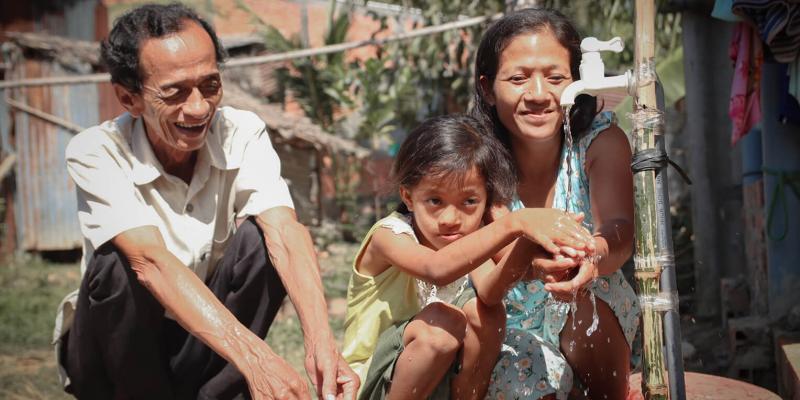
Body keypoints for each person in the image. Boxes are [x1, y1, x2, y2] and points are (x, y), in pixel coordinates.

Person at [52, 4, 358, 399]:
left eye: (210, 85)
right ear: (130, 99)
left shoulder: (241, 131)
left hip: (203, 344)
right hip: (115, 353)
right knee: (118, 264)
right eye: (175, 92)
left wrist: (322, 345)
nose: (198, 108)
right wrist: (257, 359)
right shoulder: (97, 151)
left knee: (264, 242)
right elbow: (150, 264)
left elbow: (285, 231)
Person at [342, 114, 596, 400]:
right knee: (441, 323)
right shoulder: (388, 235)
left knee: (484, 312)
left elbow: (489, 291)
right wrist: (516, 223)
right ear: (409, 197)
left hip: (435, 380)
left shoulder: (466, 238)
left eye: (469, 202)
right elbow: (436, 268)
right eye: (435, 201)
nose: (451, 219)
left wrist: (528, 245)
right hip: (373, 384)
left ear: (486, 199)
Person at [472, 8, 642, 400]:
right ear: (486, 88)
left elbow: (618, 229)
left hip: (588, 306)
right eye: (518, 78)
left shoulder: (601, 141)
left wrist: (591, 256)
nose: (538, 94)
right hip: (506, 326)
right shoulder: (472, 161)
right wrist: (529, 266)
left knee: (585, 298)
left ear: (577, 81)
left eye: (555, 78)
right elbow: (481, 256)